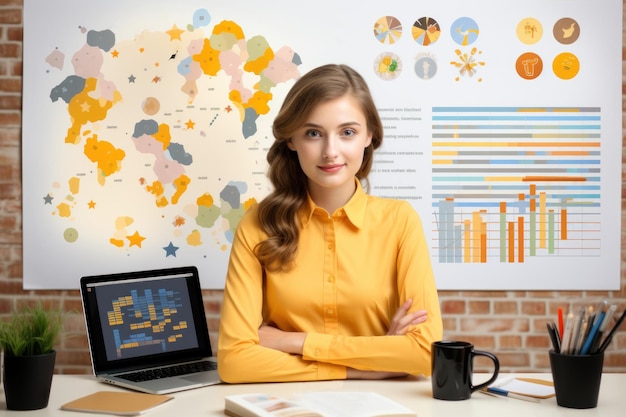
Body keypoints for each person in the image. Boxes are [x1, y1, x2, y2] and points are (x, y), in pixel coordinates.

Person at [217, 64, 442, 383]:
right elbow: (235, 362)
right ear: (292, 139)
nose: (330, 152)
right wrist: (371, 361)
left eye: (347, 132)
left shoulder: (400, 221)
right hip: (288, 406)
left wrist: (292, 342)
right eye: (313, 133)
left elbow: (424, 353)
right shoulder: (258, 224)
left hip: (387, 404)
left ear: (369, 136)